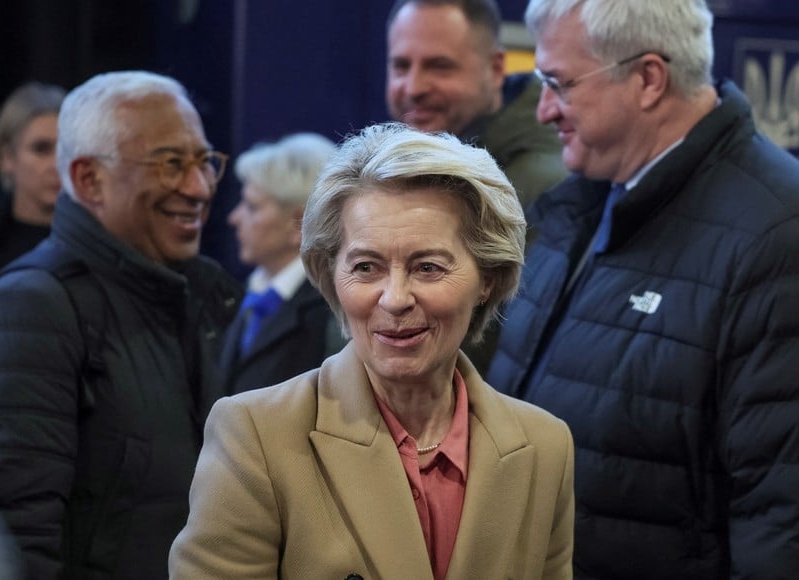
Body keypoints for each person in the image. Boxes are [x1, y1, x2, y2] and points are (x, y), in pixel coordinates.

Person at [487, 0, 799, 578]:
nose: (543, 111)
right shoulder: (576, 208)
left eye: (559, 84)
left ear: (647, 79)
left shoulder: (793, 242)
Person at [169, 122, 575, 580]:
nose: (394, 298)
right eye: (366, 267)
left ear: (488, 279)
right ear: (329, 276)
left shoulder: (545, 445)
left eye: (427, 267)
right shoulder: (256, 435)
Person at [0, 70, 243, 579]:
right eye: (171, 163)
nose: (198, 188)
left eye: (203, 162)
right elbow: (18, 539)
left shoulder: (193, 301)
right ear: (89, 179)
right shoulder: (32, 306)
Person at [386, 0, 568, 211]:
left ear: (495, 68)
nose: (413, 89)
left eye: (439, 66)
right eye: (401, 66)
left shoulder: (542, 192)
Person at [222, 132, 342, 394]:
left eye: (252, 207)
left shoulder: (330, 312)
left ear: (299, 222)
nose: (234, 218)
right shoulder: (246, 296)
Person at [0, 81, 65, 270]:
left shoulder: (100, 244)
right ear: (7, 157)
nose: (57, 164)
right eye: (41, 149)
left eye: (65, 149)